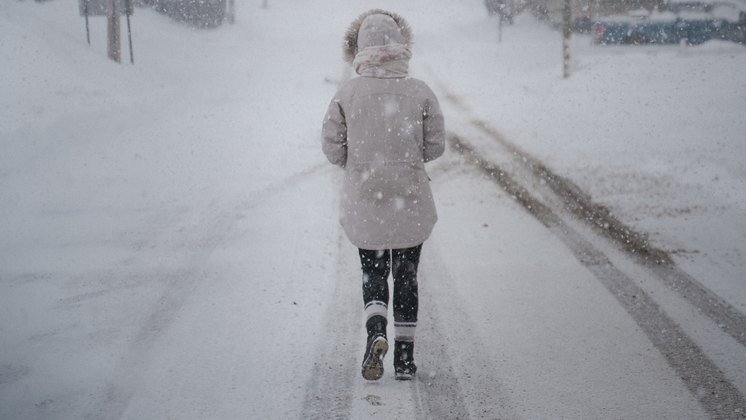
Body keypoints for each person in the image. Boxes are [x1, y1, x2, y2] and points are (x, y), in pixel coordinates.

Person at [321, 9, 445, 381]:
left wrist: (356, 162)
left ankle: (376, 331)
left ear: (358, 48)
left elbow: (332, 147)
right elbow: (435, 146)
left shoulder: (347, 94)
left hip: (366, 198)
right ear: (400, 47)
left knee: (373, 272)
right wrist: (407, 157)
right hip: (409, 197)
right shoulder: (420, 92)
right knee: (406, 275)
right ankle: (405, 360)